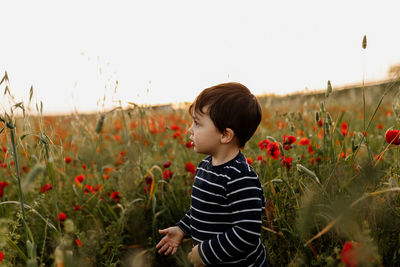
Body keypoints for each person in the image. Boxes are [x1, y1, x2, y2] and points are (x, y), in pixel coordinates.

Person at [156, 82, 267, 266]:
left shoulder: (240, 177)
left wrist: (205, 252)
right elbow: (203, 211)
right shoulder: (205, 166)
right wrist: (182, 229)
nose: (189, 129)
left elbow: (247, 232)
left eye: (198, 123)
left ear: (225, 135)